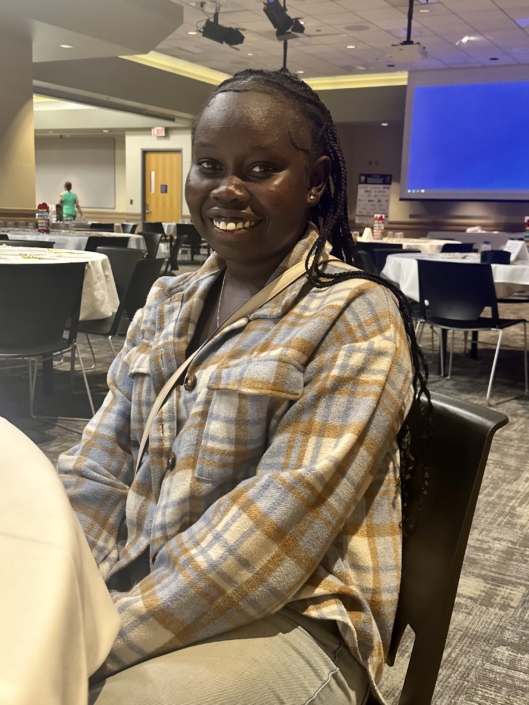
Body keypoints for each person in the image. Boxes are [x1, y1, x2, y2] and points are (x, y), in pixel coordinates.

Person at [58, 70, 429, 705]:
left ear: (315, 183)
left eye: (261, 168)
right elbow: (100, 467)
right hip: (142, 577)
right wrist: (60, 589)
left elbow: (271, 536)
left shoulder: (353, 315)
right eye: (209, 165)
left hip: (292, 609)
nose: (226, 189)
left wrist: (94, 640)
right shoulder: (167, 300)